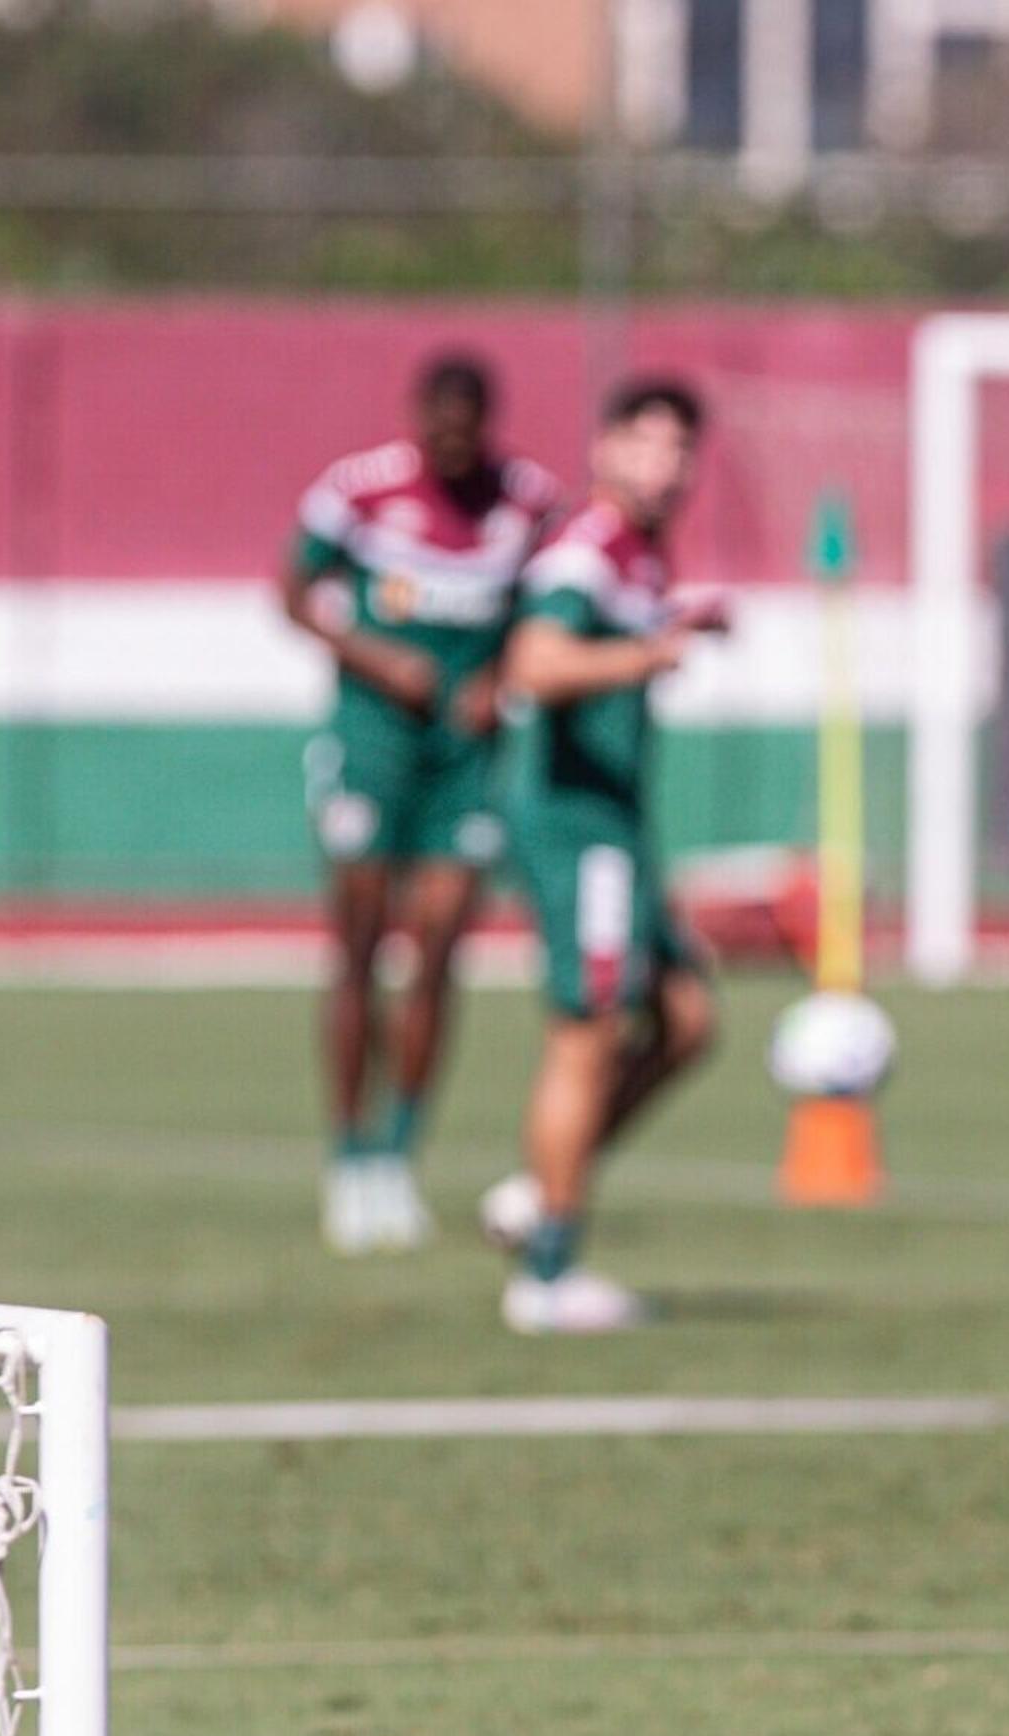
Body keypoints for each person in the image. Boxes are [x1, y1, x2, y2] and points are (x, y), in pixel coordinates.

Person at [283, 353, 562, 1256]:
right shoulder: (358, 492)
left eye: (465, 428)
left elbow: (544, 610)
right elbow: (292, 592)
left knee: (438, 950)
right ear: (415, 418)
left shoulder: (524, 500)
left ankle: (400, 1154)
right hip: (373, 747)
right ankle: (349, 1156)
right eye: (434, 426)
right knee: (360, 949)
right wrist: (375, 658)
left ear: (486, 424)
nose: (449, 444)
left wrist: (495, 676)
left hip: (465, 761)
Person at [478, 377, 724, 1336]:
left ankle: (541, 1187)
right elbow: (533, 665)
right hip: (573, 827)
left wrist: (673, 630)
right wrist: (645, 657)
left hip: (616, 824)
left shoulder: (638, 554)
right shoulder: (584, 549)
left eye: (682, 448)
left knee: (688, 1020)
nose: (670, 465)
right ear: (605, 448)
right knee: (587, 1032)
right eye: (650, 442)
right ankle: (546, 1274)